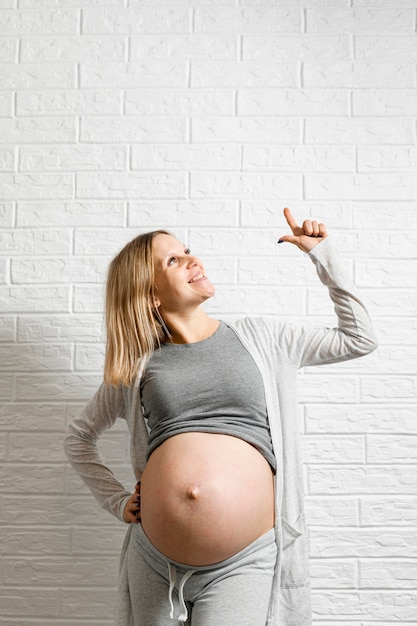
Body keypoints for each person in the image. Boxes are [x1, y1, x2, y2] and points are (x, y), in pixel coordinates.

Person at [64, 208, 378, 626]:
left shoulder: (264, 340)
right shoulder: (138, 366)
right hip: (154, 560)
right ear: (150, 293)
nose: (193, 260)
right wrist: (118, 502)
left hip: (243, 561)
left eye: (187, 251)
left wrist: (322, 254)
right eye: (173, 260)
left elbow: (359, 338)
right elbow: (79, 438)